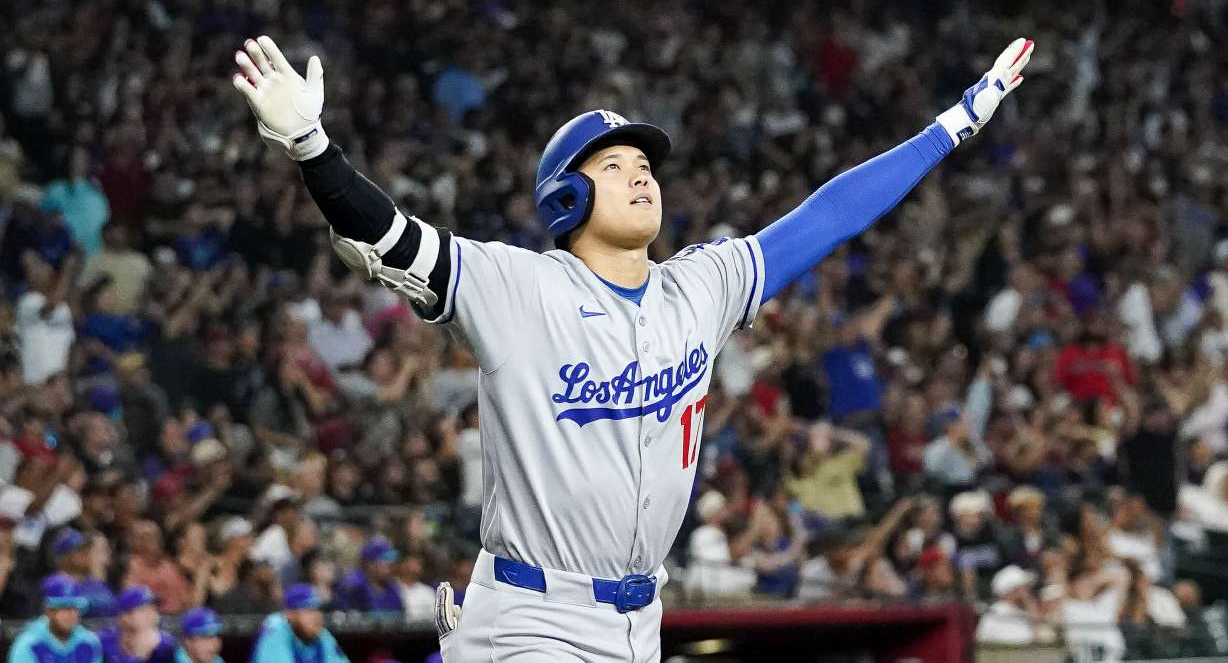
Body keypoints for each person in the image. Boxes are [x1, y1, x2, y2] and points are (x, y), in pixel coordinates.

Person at [232, 33, 1034, 660]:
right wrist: (312, 148)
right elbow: (387, 236)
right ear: (568, 194)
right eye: (614, 165)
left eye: (645, 163)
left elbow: (825, 219)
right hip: (531, 617)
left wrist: (953, 124)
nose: (640, 174)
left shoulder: (703, 286)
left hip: (638, 619)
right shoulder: (519, 288)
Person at [6, 574, 103, 663]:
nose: (71, 614)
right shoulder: (28, 644)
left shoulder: (90, 642)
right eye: (64, 607)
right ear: (48, 611)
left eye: (75, 607)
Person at [250, 583, 350, 663]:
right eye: (308, 610)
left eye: (317, 609)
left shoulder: (322, 635)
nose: (316, 616)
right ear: (290, 614)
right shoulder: (275, 631)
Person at [99, 585, 177, 663]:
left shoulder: (165, 645)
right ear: (125, 617)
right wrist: (139, 657)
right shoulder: (102, 643)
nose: (153, 614)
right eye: (144, 610)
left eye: (154, 609)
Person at [975, 565, 1048, 646]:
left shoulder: (1027, 611)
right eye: (1024, 587)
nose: (1028, 591)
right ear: (1011, 591)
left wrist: (1031, 606)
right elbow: (981, 643)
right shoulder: (993, 614)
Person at [333, 538, 402, 613]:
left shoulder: (393, 589)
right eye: (386, 561)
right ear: (370, 564)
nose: (391, 566)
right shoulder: (353, 588)